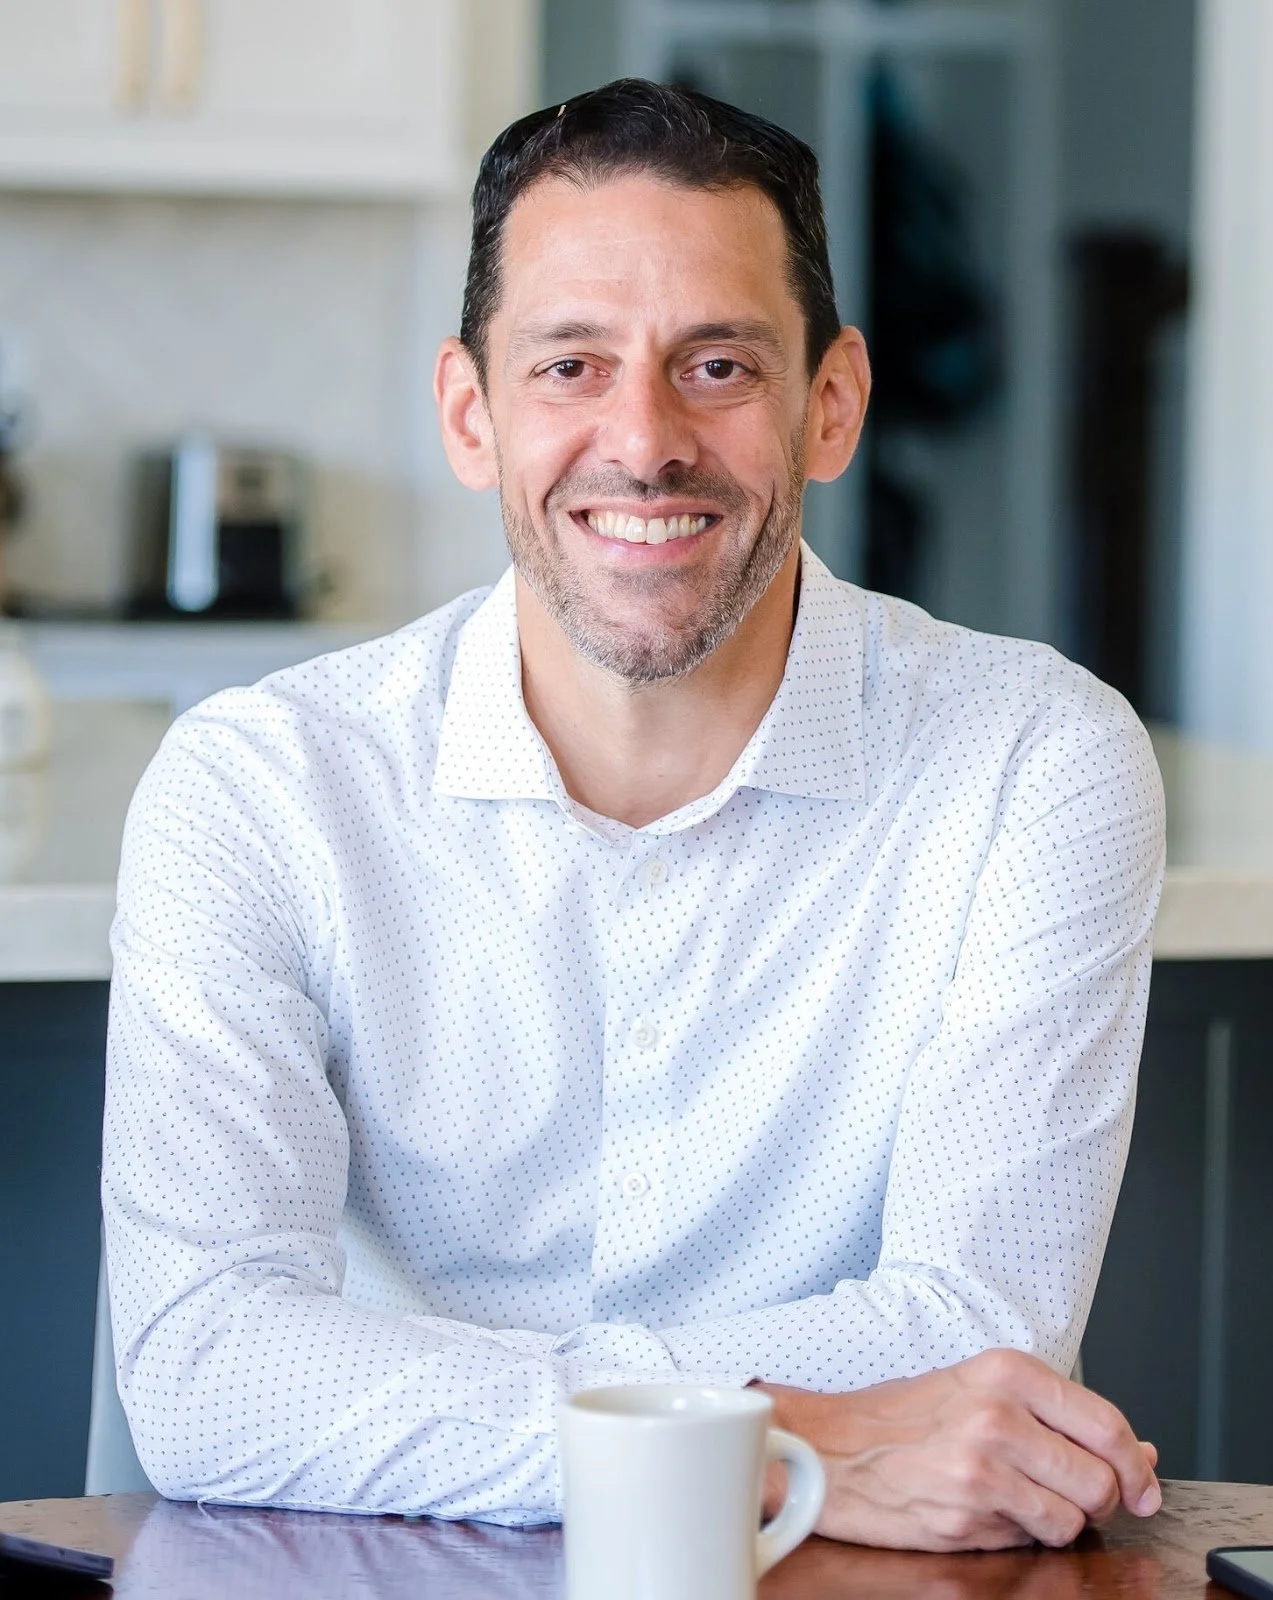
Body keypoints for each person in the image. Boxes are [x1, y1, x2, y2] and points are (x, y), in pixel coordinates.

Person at [103, 79, 1166, 1551]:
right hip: (365, 1562)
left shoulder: (1034, 763)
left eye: (718, 365)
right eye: (569, 367)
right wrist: (774, 1440)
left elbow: (979, 1333)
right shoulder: (258, 787)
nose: (643, 440)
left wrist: (447, 1402)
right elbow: (211, 1372)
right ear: (472, 415)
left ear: (833, 405)